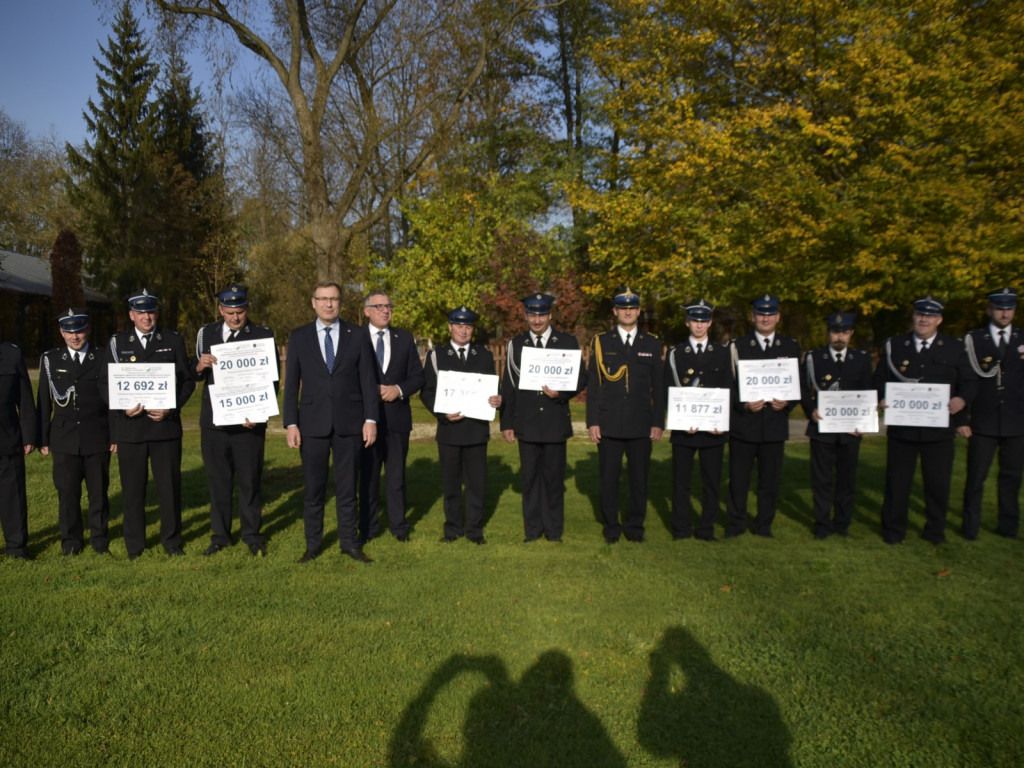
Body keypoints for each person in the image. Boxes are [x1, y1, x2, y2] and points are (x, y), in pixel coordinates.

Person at [284, 281, 378, 563]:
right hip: (311, 424)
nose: (328, 304)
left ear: (341, 303)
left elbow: (368, 380)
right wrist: (291, 423)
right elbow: (291, 386)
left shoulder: (358, 334)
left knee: (348, 488)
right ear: (313, 302)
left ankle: (349, 543)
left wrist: (370, 418)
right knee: (313, 489)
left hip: (350, 423)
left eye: (334, 299)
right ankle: (313, 545)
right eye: (323, 299)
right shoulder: (299, 336)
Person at [99, 288, 196, 559]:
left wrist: (172, 407)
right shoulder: (118, 343)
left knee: (169, 489)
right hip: (131, 429)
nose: (147, 316)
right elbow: (105, 384)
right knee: (132, 491)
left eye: (151, 311)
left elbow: (188, 380)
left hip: (165, 429)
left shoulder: (173, 340)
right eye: (141, 312)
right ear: (131, 315)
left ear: (157, 313)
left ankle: (172, 542)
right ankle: (135, 546)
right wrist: (121, 407)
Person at [874, 295, 972, 545]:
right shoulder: (895, 345)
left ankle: (935, 530)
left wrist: (962, 399)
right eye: (920, 314)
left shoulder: (955, 347)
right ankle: (893, 530)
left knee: (937, 484)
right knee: (897, 482)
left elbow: (970, 382)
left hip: (939, 430)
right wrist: (882, 397)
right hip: (903, 429)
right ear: (913, 317)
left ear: (939, 319)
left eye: (929, 316)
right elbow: (879, 379)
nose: (924, 319)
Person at [194, 285, 277, 557]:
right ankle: (220, 536)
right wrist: (199, 366)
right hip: (215, 424)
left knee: (249, 480)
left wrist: (257, 413)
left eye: (240, 312)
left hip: (248, 424)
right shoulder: (205, 333)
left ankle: (252, 535)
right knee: (218, 482)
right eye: (230, 312)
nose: (236, 318)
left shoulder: (263, 335)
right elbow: (193, 374)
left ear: (247, 309)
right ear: (220, 309)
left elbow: (272, 380)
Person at [500, 293, 587, 543]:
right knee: (529, 480)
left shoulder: (567, 342)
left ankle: (554, 531)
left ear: (550, 315)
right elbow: (509, 386)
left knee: (554, 480)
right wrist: (507, 422)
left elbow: (582, 378)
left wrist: (562, 393)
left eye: (541, 314)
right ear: (526, 315)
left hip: (554, 421)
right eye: (532, 314)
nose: (536, 320)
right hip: (526, 422)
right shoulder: (515, 344)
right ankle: (532, 530)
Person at [586, 286, 665, 543]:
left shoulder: (652, 343)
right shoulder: (601, 342)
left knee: (639, 479)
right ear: (615, 311)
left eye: (632, 308)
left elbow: (659, 387)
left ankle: (635, 527)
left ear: (639, 311)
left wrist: (658, 422)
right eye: (623, 308)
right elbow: (594, 385)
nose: (627, 312)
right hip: (609, 422)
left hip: (641, 423)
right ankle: (611, 526)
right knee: (609, 479)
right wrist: (593, 421)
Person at [420, 306, 502, 545]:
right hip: (449, 430)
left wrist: (497, 399)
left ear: (472, 329)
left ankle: (475, 530)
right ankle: (452, 528)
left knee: (477, 484)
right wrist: (442, 413)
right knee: (451, 483)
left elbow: (492, 389)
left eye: (467, 326)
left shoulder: (484, 355)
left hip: (476, 430)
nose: (463, 331)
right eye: (458, 326)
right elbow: (427, 392)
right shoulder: (436, 355)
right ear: (450, 327)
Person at [725, 294, 801, 538]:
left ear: (777, 317)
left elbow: (797, 384)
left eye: (770, 314)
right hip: (744, 424)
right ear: (752, 316)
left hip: (774, 424)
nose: (765, 318)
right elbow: (728, 386)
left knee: (769, 481)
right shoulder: (738, 346)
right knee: (738, 480)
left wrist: (788, 403)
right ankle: (736, 524)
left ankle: (764, 525)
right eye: (760, 313)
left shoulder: (790, 346)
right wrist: (744, 404)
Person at [38, 308, 111, 555]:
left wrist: (114, 435)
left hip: (97, 436)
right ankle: (71, 542)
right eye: (69, 332)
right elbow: (44, 402)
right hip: (64, 437)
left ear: (88, 329)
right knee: (67, 494)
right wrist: (43, 438)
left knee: (98, 492)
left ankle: (100, 540)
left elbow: (112, 399)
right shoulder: (51, 359)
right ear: (61, 332)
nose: (75, 337)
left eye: (79, 330)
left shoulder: (102, 357)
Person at [799, 312, 874, 539]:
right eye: (835, 332)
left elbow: (868, 392)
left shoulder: (861, 359)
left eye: (844, 332)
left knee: (846, 480)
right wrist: (810, 409)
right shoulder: (814, 358)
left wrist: (863, 422)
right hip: (822, 428)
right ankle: (822, 524)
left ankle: (842, 524)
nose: (839, 337)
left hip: (850, 431)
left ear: (851, 333)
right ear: (828, 333)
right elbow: (803, 389)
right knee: (821, 480)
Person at [358, 290, 424, 544]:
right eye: (379, 306)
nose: (385, 310)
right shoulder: (355, 338)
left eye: (388, 306)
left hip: (397, 420)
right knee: (369, 476)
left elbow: (417, 376)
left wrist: (398, 390)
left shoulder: (405, 338)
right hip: (366, 420)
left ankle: (399, 527)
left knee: (396, 477)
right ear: (367, 311)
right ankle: (368, 526)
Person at [663, 299, 731, 541]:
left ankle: (706, 528)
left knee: (711, 483)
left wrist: (721, 423)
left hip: (713, 431)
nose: (699, 325)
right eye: (694, 320)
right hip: (685, 430)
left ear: (710, 323)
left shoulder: (722, 353)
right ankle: (681, 529)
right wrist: (679, 420)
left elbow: (727, 389)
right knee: (681, 483)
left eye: (703, 321)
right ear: (687, 322)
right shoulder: (675, 353)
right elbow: (668, 388)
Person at [960, 287, 1024, 539]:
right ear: (989, 310)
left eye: (1009, 308)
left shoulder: (1022, 338)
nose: (1005, 313)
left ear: (1014, 311)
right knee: (976, 477)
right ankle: (970, 527)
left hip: (1017, 421)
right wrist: (962, 419)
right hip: (982, 422)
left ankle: (1008, 527)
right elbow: (965, 381)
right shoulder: (974, 340)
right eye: (1000, 308)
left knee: (1011, 478)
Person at [0, 338, 37, 560]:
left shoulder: (11, 354)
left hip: (7, 438)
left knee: (12, 495)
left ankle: (16, 547)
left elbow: (24, 399)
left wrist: (29, 434)